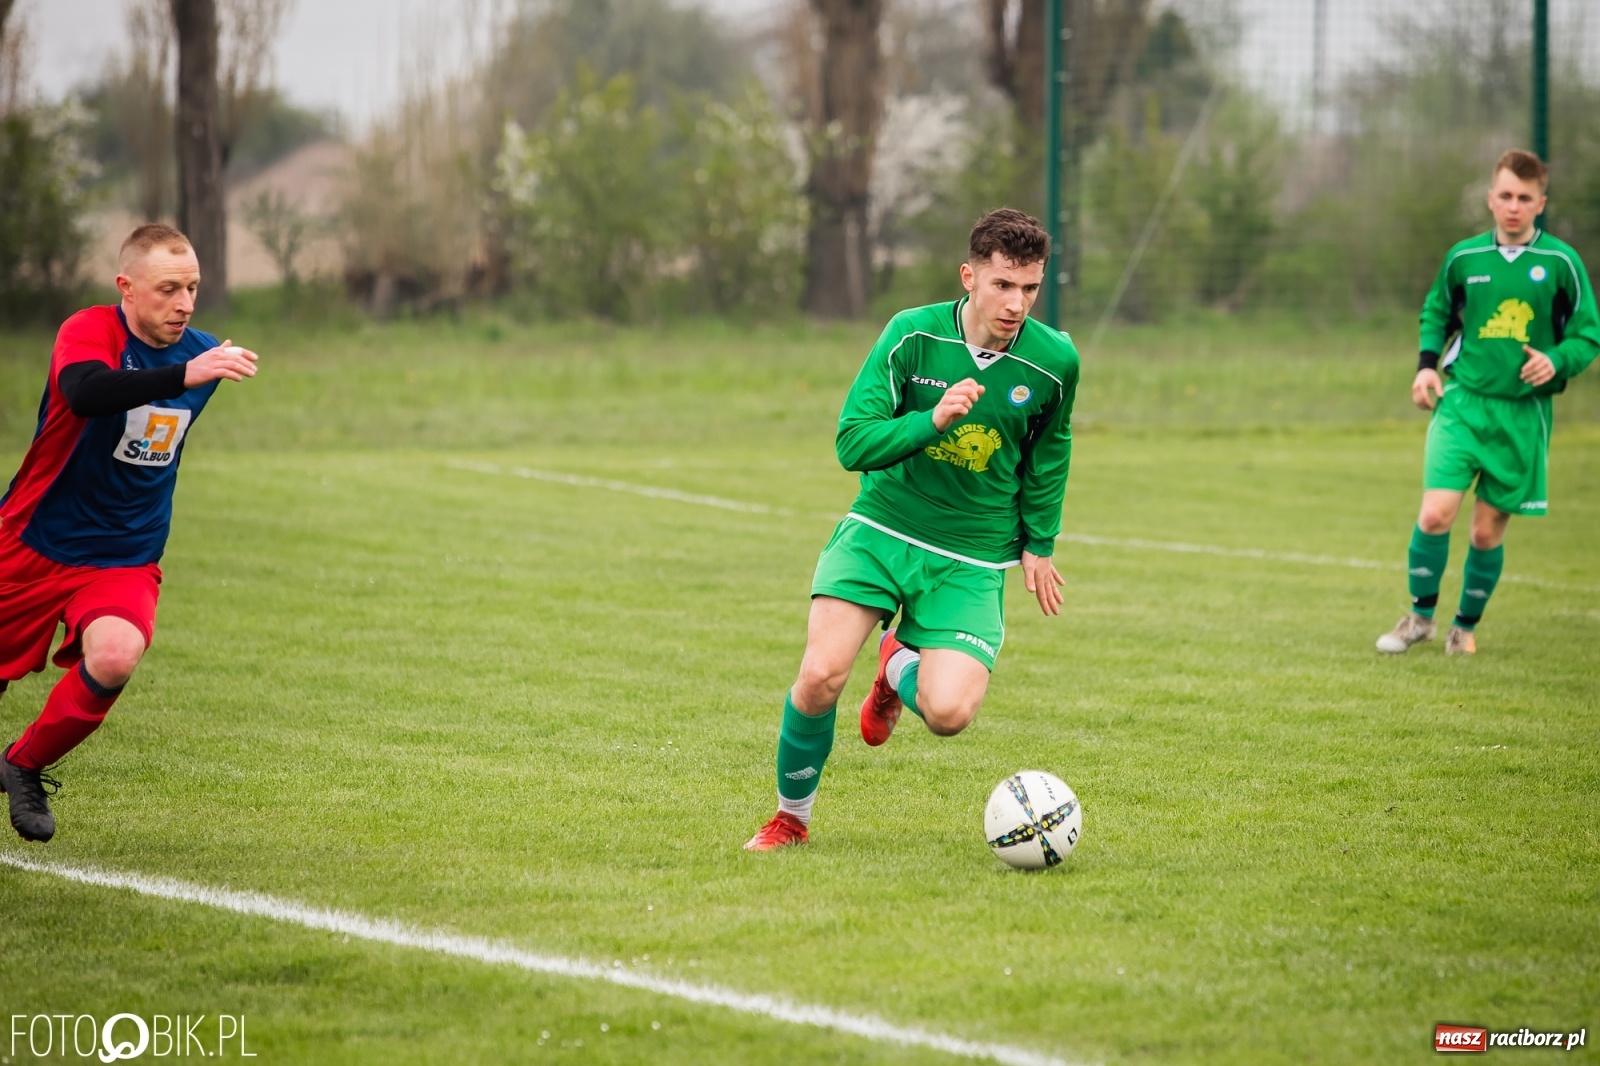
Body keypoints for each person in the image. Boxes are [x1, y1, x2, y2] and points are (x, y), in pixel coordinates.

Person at [744, 209, 1080, 850]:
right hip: (881, 529)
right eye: (1003, 285)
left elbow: (1050, 451)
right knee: (819, 677)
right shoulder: (912, 336)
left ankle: (896, 665)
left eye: (1030, 288)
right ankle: (791, 818)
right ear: (969, 277)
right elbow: (852, 441)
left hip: (971, 556)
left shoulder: (1055, 360)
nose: (1017, 304)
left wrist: (1040, 543)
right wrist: (931, 421)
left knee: (949, 714)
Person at [0, 223, 258, 842]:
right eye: (169, 288)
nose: (186, 303)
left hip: (123, 556)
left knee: (115, 656)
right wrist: (184, 375)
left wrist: (192, 370)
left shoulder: (200, 355)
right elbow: (85, 393)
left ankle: (23, 766)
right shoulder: (89, 331)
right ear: (127, 288)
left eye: (192, 288)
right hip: (33, 540)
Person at [1377, 150, 1598, 656]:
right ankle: (1419, 619)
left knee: (1484, 532)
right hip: (1462, 404)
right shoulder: (1465, 258)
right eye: (1505, 196)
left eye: (1524, 198)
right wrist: (1426, 366)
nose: (1514, 206)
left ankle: (1464, 628)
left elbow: (1588, 337)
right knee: (1435, 514)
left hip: (1522, 414)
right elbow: (1436, 312)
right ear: (1490, 200)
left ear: (1541, 203)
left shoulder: (1561, 264)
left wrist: (1557, 360)